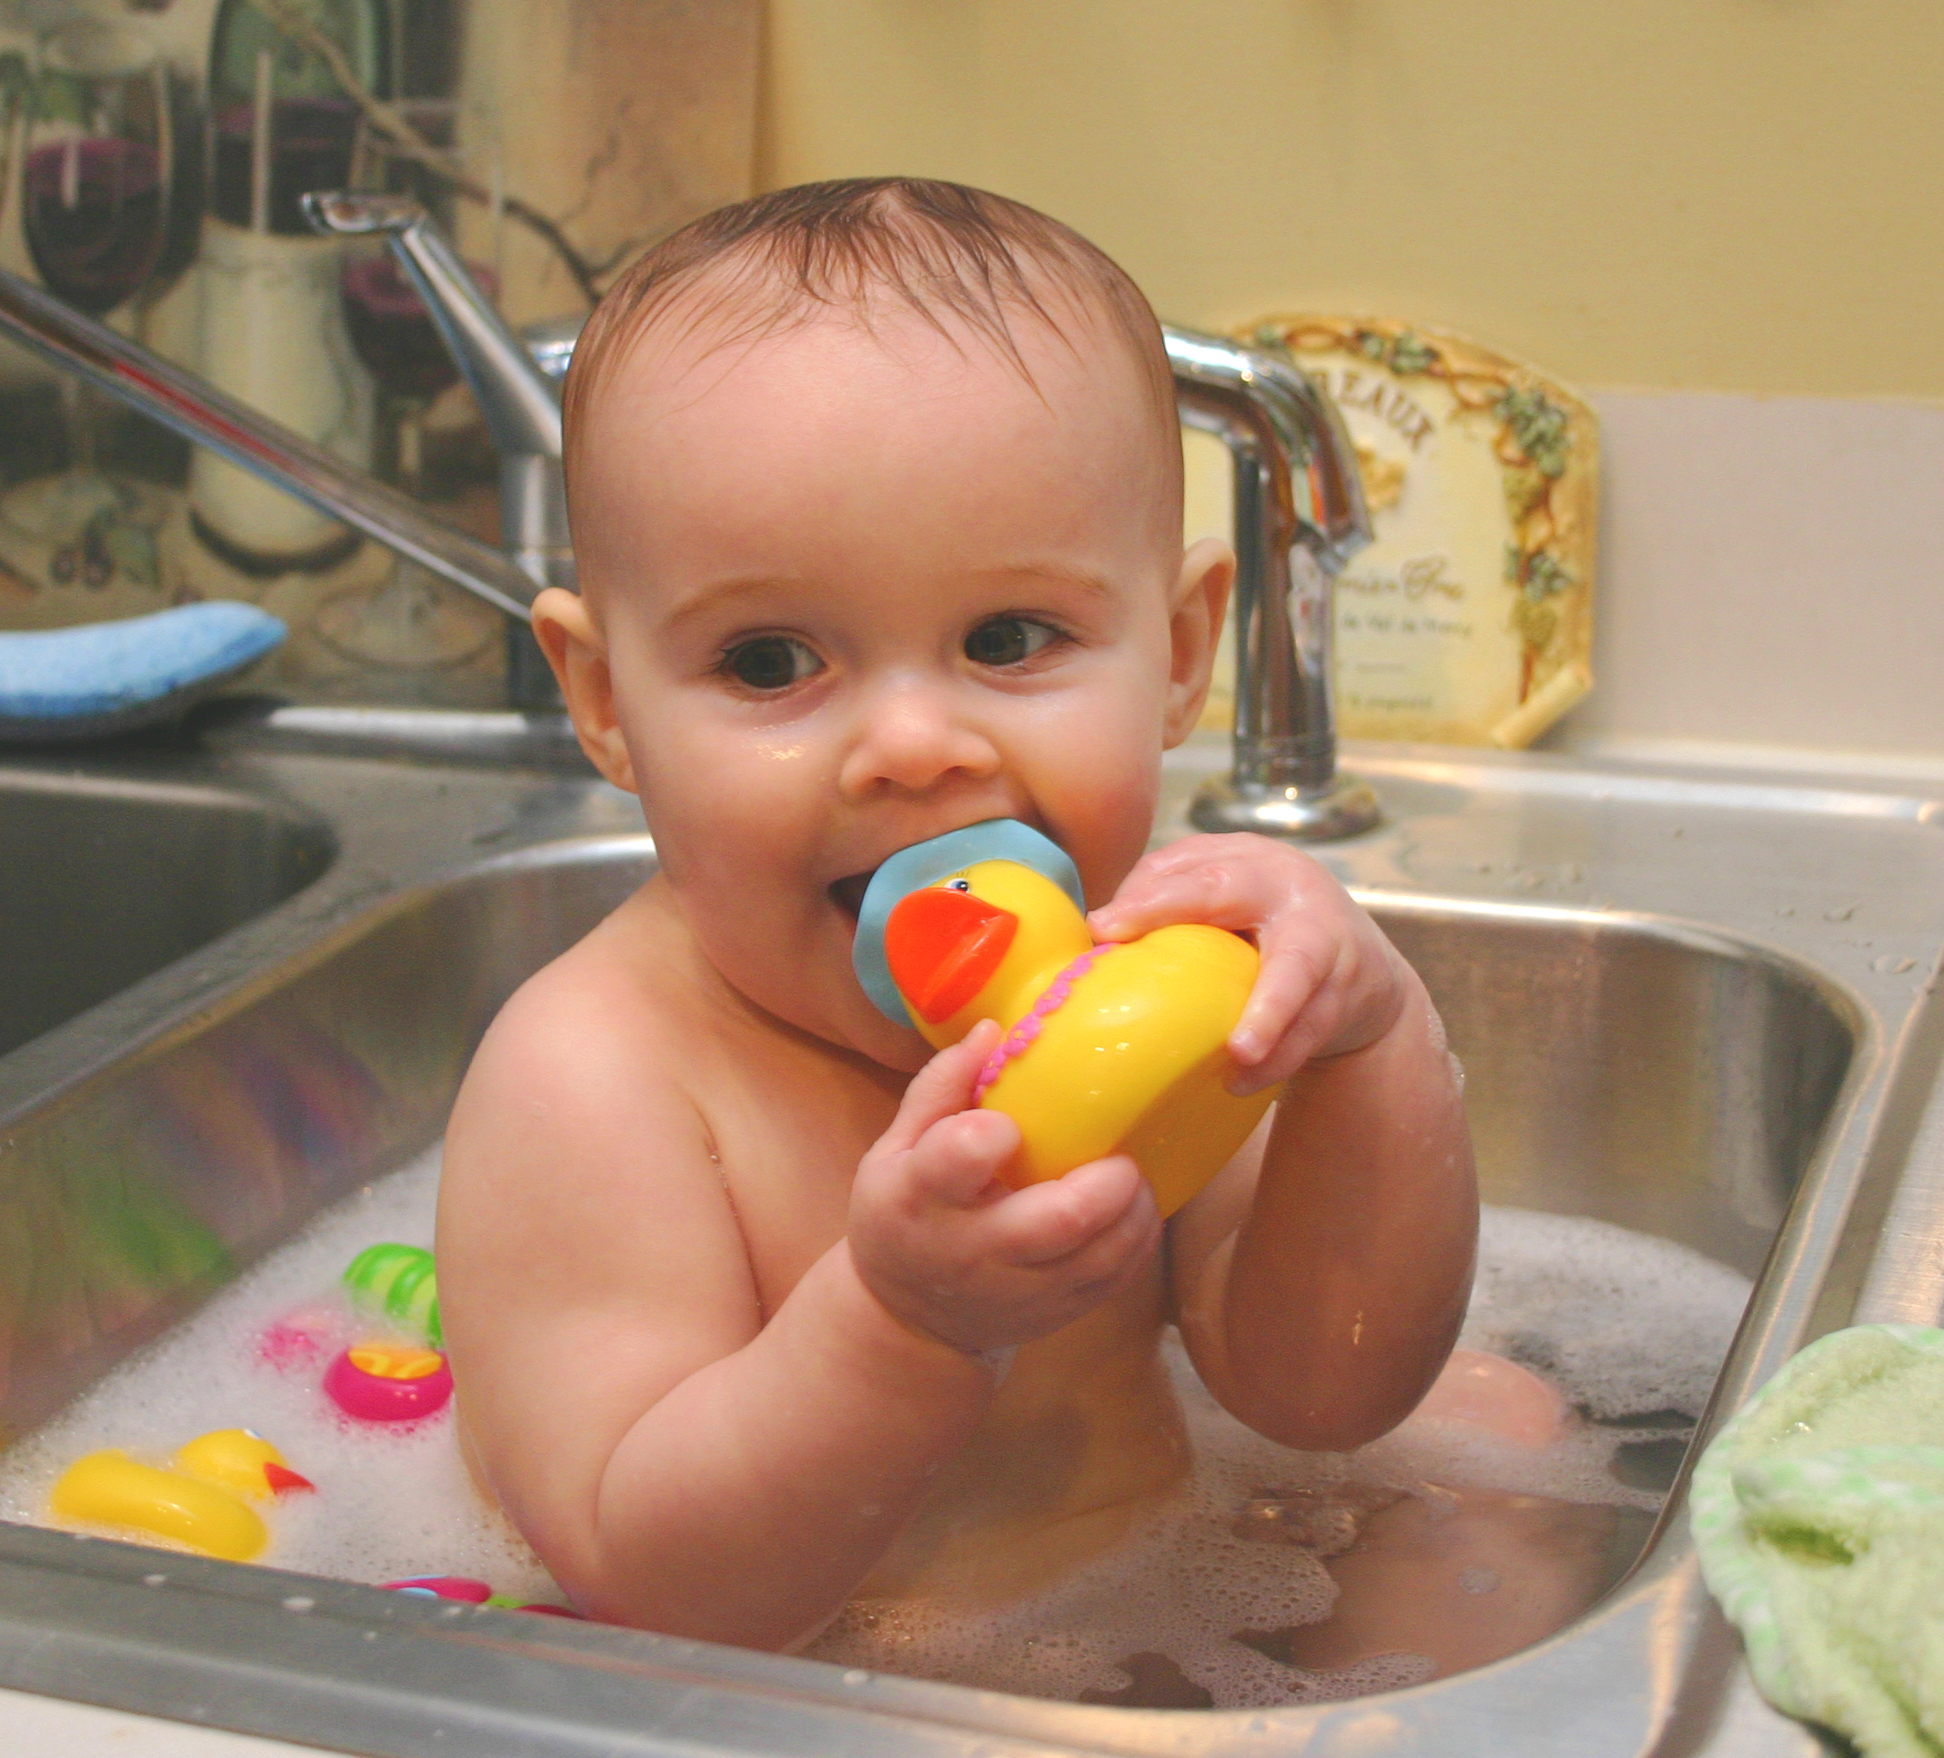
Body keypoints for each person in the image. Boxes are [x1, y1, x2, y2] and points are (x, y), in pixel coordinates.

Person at [438, 178, 1477, 1650]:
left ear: (1182, 651)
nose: (916, 746)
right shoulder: (598, 1077)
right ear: (606, 703)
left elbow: (1322, 1392)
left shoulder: (1154, 984)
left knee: (1491, 1516)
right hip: (770, 1710)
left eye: (1009, 637)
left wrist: (1371, 1041)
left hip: (1151, 1639)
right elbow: (647, 1583)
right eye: (769, 660)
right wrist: (900, 1323)